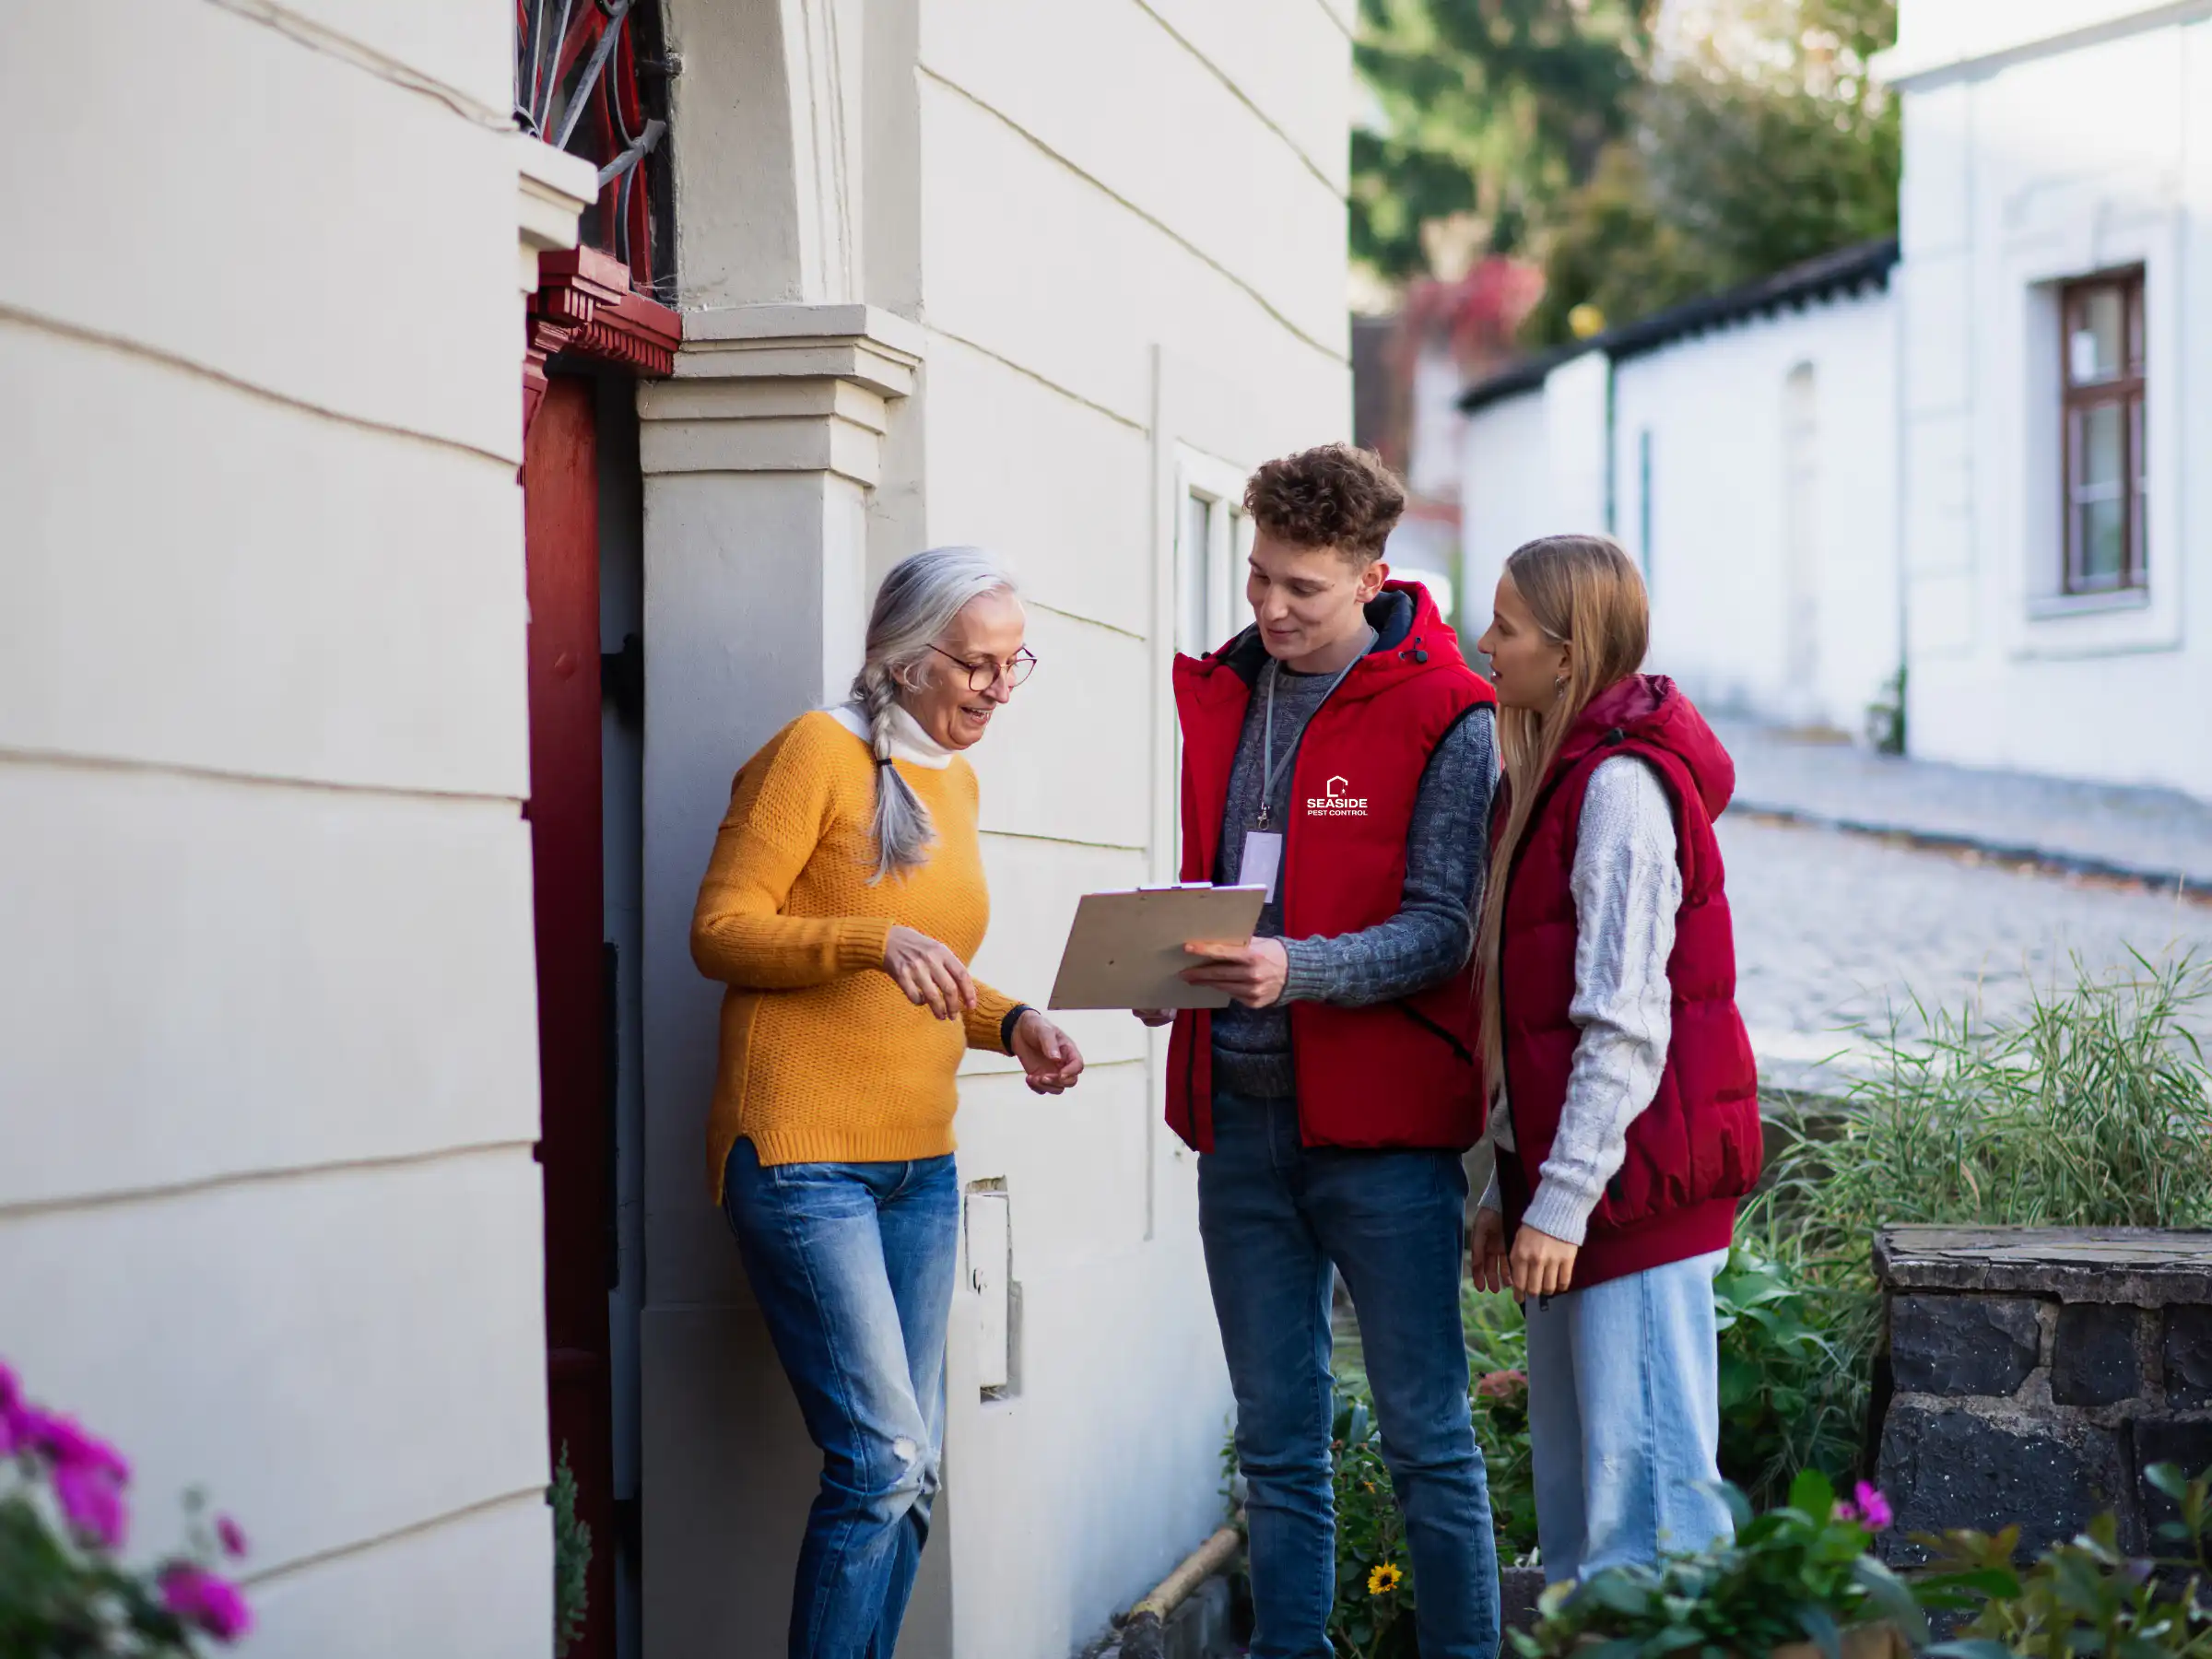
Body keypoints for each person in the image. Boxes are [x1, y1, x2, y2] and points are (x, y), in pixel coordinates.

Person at [1137, 444, 1501, 1659]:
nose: (1273, 610)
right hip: (1239, 1130)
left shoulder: (1447, 712)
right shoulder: (1230, 690)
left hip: (1384, 1147)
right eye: (1258, 581)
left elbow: (1444, 931)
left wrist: (1298, 970)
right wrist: (1164, 971)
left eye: (1303, 588)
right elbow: (1233, 891)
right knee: (1278, 1442)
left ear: (1373, 575)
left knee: (1426, 1441)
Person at [690, 546, 1085, 1659]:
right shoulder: (812, 754)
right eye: (977, 667)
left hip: (922, 1166)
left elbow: (931, 971)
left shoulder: (952, 782)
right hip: (801, 1157)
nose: (999, 691)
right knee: (881, 1463)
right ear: (908, 661)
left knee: (914, 1475)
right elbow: (718, 932)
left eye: (1016, 667)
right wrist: (866, 937)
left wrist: (1013, 1023)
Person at [1466, 533, 1764, 1585]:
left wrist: (1561, 1198)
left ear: (1567, 647)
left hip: (1629, 1205)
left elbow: (1625, 1022)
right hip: (1588, 1198)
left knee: (1652, 1541)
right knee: (1589, 1533)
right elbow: (1522, 1012)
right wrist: (1515, 1184)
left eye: (1504, 627)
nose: (1484, 644)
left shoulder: (1621, 792)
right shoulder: (1548, 778)